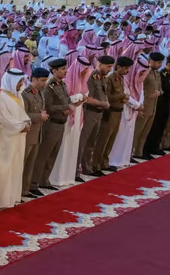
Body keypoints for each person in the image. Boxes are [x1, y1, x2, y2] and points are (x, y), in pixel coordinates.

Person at [50, 56, 91, 187]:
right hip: (67, 117)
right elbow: (66, 99)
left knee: (73, 146)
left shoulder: (83, 80)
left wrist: (81, 98)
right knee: (64, 146)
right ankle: (57, 177)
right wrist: (79, 97)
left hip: (78, 114)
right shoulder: (67, 80)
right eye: (83, 69)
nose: (84, 72)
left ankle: (68, 176)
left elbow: (85, 96)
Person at [31, 58, 70, 191]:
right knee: (44, 154)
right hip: (51, 124)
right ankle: (34, 182)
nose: (65, 71)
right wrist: (63, 108)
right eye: (63, 69)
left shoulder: (61, 85)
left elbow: (67, 99)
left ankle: (44, 180)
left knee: (53, 153)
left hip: (61, 123)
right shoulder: (49, 86)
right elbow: (48, 106)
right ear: (54, 71)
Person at [0, 69, 31, 209]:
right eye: (19, 81)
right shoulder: (1, 96)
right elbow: (4, 118)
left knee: (16, 167)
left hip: (18, 137)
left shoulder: (18, 96)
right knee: (5, 168)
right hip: (6, 139)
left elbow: (22, 114)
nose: (21, 84)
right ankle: (1, 200)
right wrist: (20, 126)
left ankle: (12, 197)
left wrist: (26, 122)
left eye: (22, 81)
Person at [92, 56, 133, 174]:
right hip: (110, 112)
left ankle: (104, 162)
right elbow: (107, 97)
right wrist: (122, 97)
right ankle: (96, 165)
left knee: (111, 139)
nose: (127, 71)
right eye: (125, 68)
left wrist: (123, 98)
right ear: (118, 67)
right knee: (103, 139)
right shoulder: (110, 78)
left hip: (118, 111)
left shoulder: (120, 78)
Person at [109, 56, 149, 169]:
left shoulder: (138, 80)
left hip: (133, 111)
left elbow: (141, 92)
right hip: (123, 110)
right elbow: (125, 96)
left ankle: (124, 159)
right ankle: (114, 160)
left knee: (128, 136)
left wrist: (140, 104)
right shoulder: (124, 79)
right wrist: (137, 105)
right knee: (119, 136)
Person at [78, 55, 113, 180]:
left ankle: (88, 167)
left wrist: (104, 103)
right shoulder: (92, 77)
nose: (109, 69)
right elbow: (87, 98)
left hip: (99, 113)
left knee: (91, 142)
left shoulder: (102, 78)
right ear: (100, 64)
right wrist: (101, 104)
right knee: (83, 141)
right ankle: (77, 170)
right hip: (90, 112)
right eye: (108, 66)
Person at [22, 67, 50, 198]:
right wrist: (39, 117)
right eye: (42, 80)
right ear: (33, 79)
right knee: (23, 163)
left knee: (30, 164)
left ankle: (26, 190)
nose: (45, 83)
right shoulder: (25, 93)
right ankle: (19, 191)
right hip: (27, 134)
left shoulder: (39, 92)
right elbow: (23, 114)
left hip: (37, 133)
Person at [132, 52, 163, 161]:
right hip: (144, 106)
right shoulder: (144, 73)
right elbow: (138, 90)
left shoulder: (157, 74)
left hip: (153, 106)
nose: (160, 65)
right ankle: (132, 152)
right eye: (158, 62)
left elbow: (160, 89)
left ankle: (139, 151)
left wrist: (159, 92)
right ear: (151, 61)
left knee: (146, 131)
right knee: (138, 130)